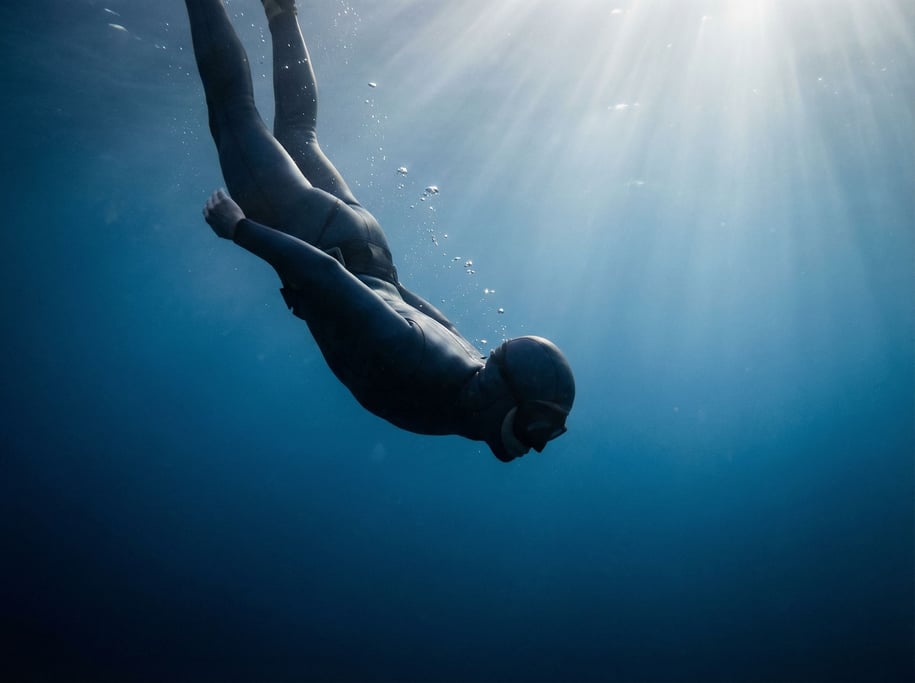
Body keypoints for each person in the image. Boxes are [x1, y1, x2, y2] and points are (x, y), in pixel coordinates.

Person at [185, 0, 575, 461]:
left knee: (297, 134)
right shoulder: (426, 371)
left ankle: (281, 11)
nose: (536, 441)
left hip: (367, 244)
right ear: (506, 395)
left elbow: (419, 307)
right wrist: (241, 230)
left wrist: (376, 276)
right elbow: (328, 276)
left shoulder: (467, 368)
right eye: (539, 426)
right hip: (317, 238)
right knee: (233, 115)